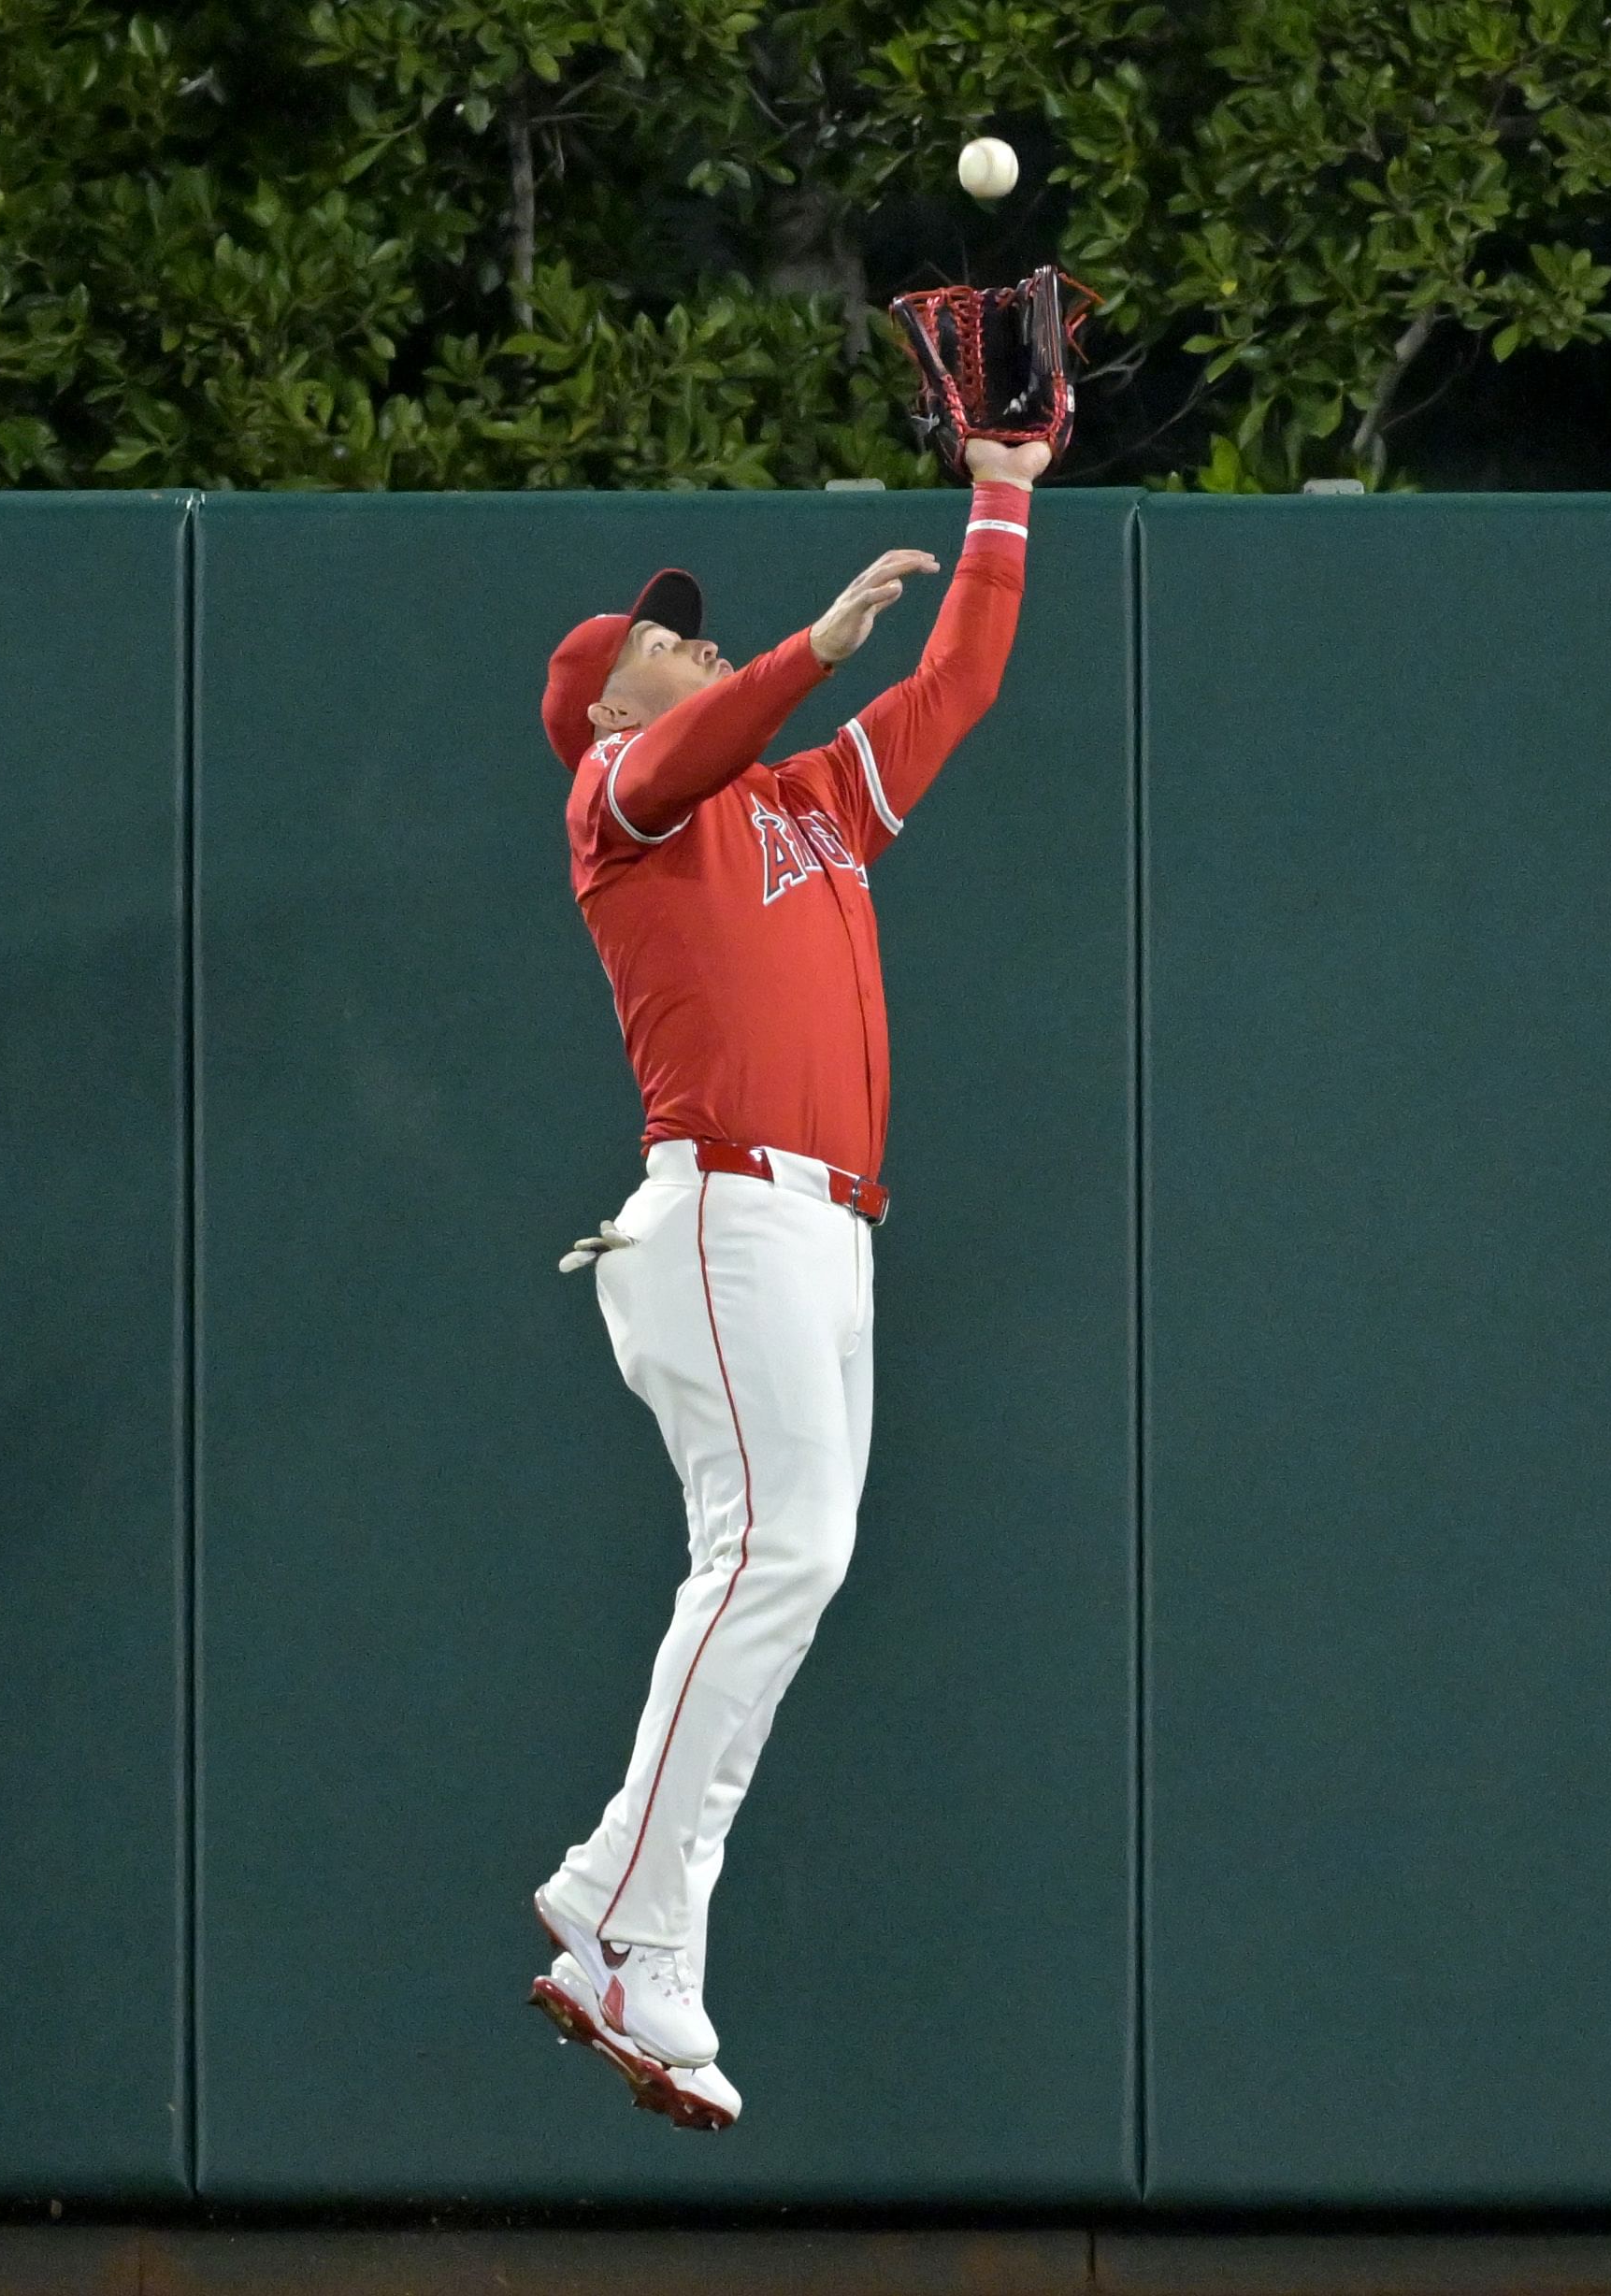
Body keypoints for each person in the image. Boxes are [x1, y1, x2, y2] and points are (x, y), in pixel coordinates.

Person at [521, 437, 1051, 2131]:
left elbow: (957, 685)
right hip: (724, 1209)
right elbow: (694, 734)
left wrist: (1003, 493)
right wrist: (808, 652)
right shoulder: (617, 802)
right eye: (652, 641)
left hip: (826, 1234)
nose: (685, 639)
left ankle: (633, 1907)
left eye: (690, 631)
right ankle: (622, 1913)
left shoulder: (805, 806)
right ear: (608, 710)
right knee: (780, 1548)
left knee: (786, 1568)